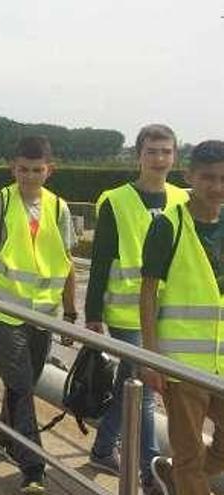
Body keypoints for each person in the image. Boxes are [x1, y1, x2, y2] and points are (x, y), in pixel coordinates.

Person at [0, 136, 76, 494]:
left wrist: (71, 312)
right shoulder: (0, 201)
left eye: (36, 170)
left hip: (44, 313)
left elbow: (67, 262)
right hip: (4, 310)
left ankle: (3, 434)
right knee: (23, 385)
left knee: (22, 382)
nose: (29, 177)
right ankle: (33, 466)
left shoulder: (59, 208)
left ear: (49, 170)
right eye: (22, 170)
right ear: (12, 167)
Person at [83, 124, 187, 492]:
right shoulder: (115, 200)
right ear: (138, 155)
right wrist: (92, 314)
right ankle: (151, 470)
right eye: (152, 151)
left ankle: (100, 447)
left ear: (175, 155)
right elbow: (100, 260)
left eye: (166, 151)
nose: (159, 159)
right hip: (126, 312)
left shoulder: (181, 199)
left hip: (168, 314)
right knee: (143, 389)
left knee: (132, 385)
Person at [139, 140, 224, 495]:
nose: (217, 187)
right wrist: (151, 358)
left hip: (221, 361)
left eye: (223, 178)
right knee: (189, 454)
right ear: (189, 176)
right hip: (183, 366)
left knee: (203, 457)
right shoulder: (168, 226)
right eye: (207, 178)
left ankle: (173, 476)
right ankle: (183, 477)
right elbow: (147, 294)